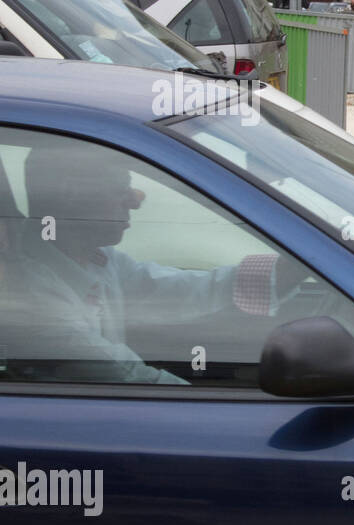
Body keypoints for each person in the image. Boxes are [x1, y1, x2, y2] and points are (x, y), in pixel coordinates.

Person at [1, 143, 305, 384]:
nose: (135, 201)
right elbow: (126, 377)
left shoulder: (98, 260)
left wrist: (296, 267)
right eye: (121, 189)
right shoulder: (30, 294)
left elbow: (179, 289)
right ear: (69, 195)